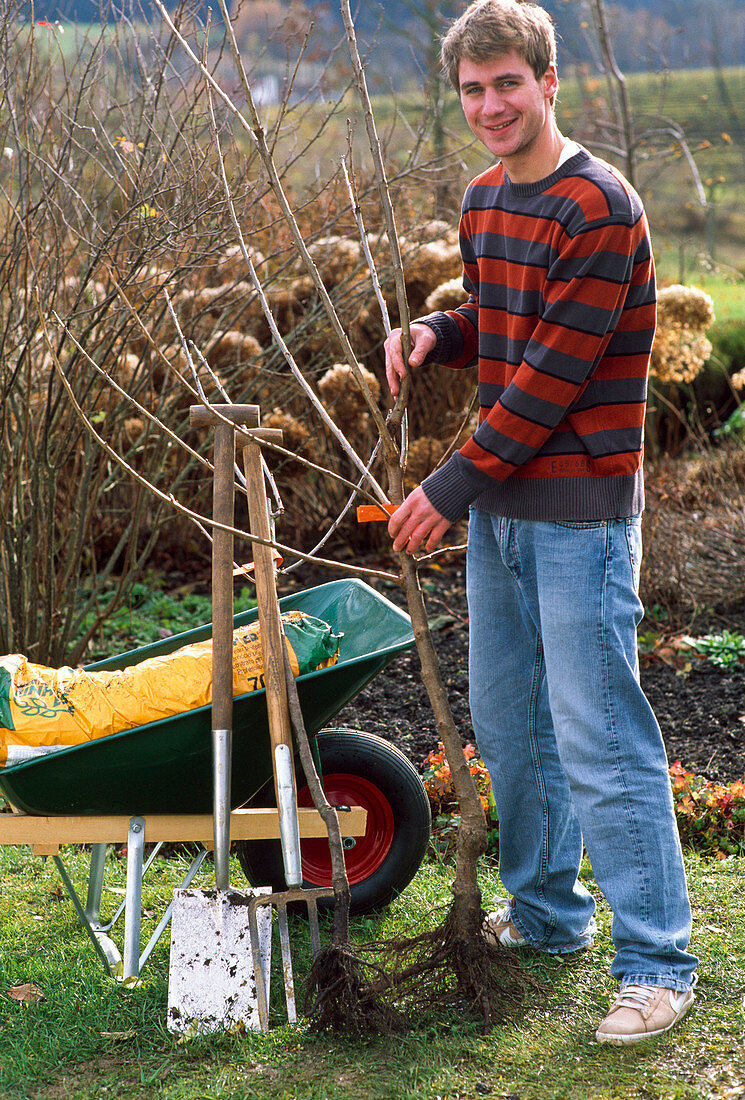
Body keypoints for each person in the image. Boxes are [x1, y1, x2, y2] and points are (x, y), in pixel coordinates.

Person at [384, 0, 697, 1046]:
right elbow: (501, 321)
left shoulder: (599, 207)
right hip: (503, 510)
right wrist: (438, 328)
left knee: (599, 733)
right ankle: (553, 916)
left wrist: (446, 488)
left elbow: (553, 381)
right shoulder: (484, 198)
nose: (489, 106)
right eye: (471, 90)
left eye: (506, 83)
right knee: (511, 730)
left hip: (578, 512)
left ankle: (657, 962)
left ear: (548, 81)